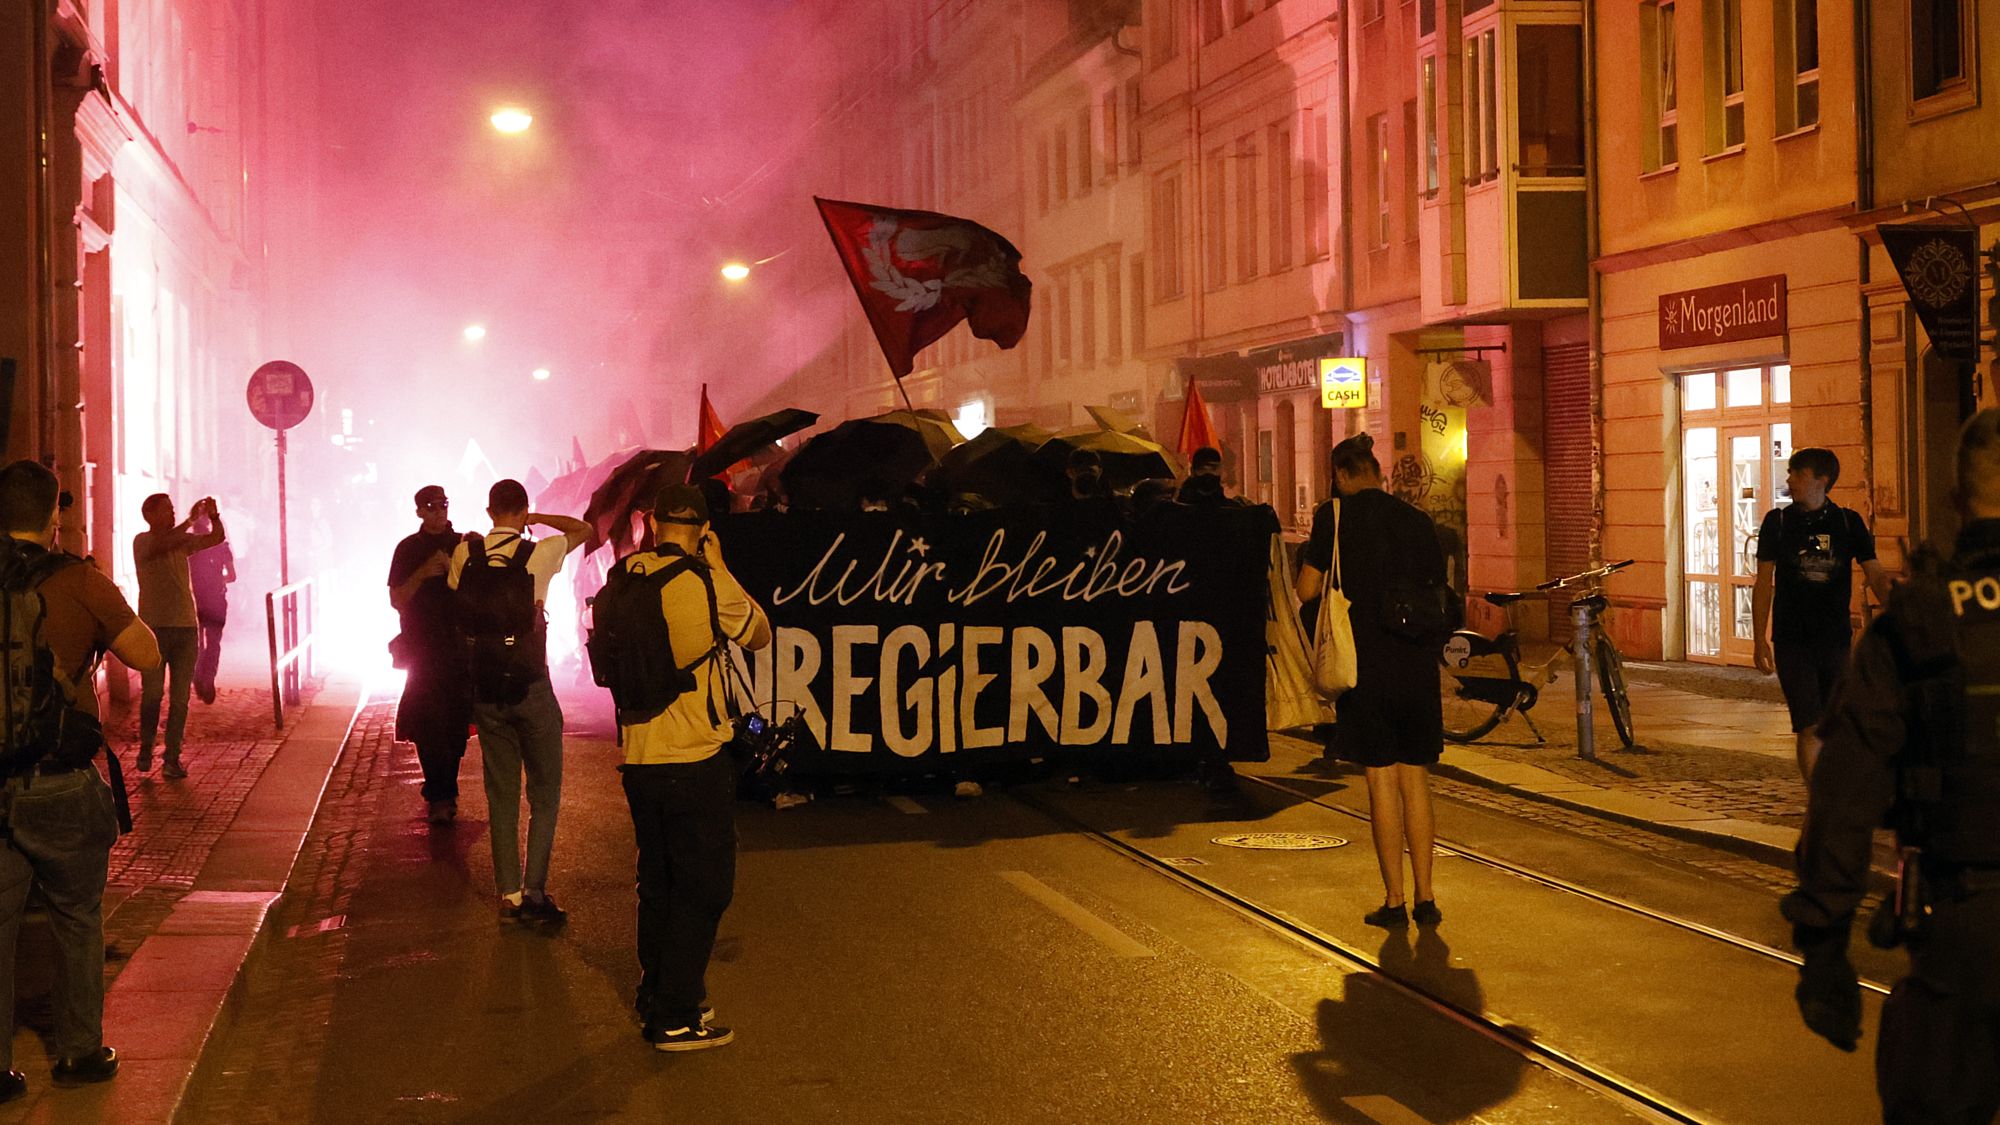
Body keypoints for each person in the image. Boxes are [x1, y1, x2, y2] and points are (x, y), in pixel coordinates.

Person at [1782, 408, 2000, 1122]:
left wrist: (1824, 946)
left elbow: (1843, 795)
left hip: (1963, 933)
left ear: (1956, 501)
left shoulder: (1922, 623)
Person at [0, 460, 161, 1102]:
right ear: (54, 517)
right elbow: (146, 653)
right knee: (76, 914)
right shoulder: (78, 579)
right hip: (61, 779)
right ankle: (78, 1052)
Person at [610, 484, 770, 1051]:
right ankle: (677, 1017)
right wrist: (719, 565)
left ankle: (656, 992)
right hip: (695, 757)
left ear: (652, 524)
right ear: (703, 530)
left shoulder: (625, 577)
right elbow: (759, 633)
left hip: (638, 759)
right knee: (704, 889)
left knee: (657, 884)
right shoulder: (705, 582)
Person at [1296, 433, 1448, 928]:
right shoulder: (1418, 521)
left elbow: (1307, 589)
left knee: (1382, 781)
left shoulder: (1334, 517)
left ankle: (1394, 900)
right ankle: (1427, 896)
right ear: (1378, 474)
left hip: (1365, 667)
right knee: (1416, 779)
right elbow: (1437, 588)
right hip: (1416, 665)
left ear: (1341, 476)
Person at [448, 480, 591, 926]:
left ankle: (509, 895)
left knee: (502, 795)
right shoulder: (539, 553)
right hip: (531, 686)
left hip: (486, 689)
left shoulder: (465, 554)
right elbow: (583, 529)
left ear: (489, 511)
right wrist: (538, 519)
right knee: (545, 794)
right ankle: (534, 890)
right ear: (522, 510)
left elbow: (455, 597)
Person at [1752, 447, 1893, 780]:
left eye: (1798, 474)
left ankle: (1833, 790)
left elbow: (1874, 572)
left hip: (1835, 639)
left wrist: (1898, 609)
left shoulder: (1847, 522)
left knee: (1837, 724)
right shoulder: (1778, 522)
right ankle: (1817, 797)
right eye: (1790, 473)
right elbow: (1763, 582)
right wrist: (1759, 639)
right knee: (1809, 725)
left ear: (1822, 480)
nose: (1790, 480)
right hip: (1792, 639)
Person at [388, 485, 472, 825]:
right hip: (421, 649)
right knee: (426, 723)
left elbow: (478, 595)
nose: (439, 511)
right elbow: (397, 599)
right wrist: (423, 573)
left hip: (459, 648)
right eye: (431, 506)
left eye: (443, 505)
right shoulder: (408, 549)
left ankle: (444, 788)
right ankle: (441, 794)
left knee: (455, 725)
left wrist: (454, 571)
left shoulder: (466, 545)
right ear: (419, 511)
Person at [132, 493, 225, 779]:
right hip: (154, 630)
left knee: (180, 699)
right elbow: (163, 544)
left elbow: (215, 539)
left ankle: (172, 757)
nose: (172, 514)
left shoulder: (181, 540)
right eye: (167, 510)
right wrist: (189, 520)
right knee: (152, 693)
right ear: (150, 515)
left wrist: (213, 516)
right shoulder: (143, 542)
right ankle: (146, 747)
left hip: (185, 628)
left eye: (173, 510)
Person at [188, 512, 234, 705]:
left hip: (194, 602)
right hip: (216, 600)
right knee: (214, 642)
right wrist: (217, 580)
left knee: (197, 643)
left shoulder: (188, 548)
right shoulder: (221, 547)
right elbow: (232, 576)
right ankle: (208, 678)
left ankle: (198, 675)